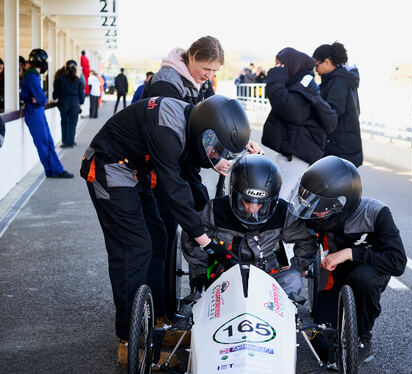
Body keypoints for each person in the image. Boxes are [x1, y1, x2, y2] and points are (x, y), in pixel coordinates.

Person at [80, 94, 250, 365]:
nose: (215, 155)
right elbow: (174, 191)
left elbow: (190, 181)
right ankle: (129, 340)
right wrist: (207, 243)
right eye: (215, 150)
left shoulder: (193, 120)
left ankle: (154, 323)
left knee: (159, 238)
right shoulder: (167, 132)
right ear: (203, 133)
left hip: (136, 169)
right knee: (134, 247)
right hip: (107, 165)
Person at [140, 36, 263, 319]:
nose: (209, 76)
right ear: (191, 57)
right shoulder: (166, 82)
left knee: (206, 213)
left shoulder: (201, 82)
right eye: (205, 69)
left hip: (185, 163)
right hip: (163, 163)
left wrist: (243, 143)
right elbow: (173, 131)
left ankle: (206, 283)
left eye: (215, 72)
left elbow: (213, 121)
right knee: (166, 232)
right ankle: (161, 313)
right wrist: (214, 159)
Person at [288, 156, 407, 368]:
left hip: (369, 272)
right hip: (335, 275)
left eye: (318, 205)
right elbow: (305, 243)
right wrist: (297, 268)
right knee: (323, 346)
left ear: (339, 203)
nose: (313, 210)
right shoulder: (317, 216)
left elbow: (397, 263)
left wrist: (350, 253)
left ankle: (364, 339)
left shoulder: (376, 213)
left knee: (363, 277)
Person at [181, 154, 317, 297]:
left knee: (293, 279)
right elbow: (192, 235)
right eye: (246, 201)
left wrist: (298, 266)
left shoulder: (282, 212)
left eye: (260, 204)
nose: (252, 209)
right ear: (233, 194)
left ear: (273, 200)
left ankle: (286, 310)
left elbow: (307, 240)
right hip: (224, 274)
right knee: (202, 290)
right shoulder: (216, 210)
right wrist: (200, 273)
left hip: (266, 275)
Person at [261, 47, 337, 199]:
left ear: (291, 65)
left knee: (280, 199)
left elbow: (287, 107)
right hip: (295, 153)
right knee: (284, 197)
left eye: (281, 65)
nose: (278, 69)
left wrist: (275, 76)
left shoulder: (304, 86)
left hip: (298, 156)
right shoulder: (300, 83)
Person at [20, 49, 73, 179]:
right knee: (44, 142)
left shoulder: (33, 75)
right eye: (44, 61)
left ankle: (54, 169)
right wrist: (38, 98)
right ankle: (54, 170)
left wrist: (38, 98)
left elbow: (40, 99)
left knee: (48, 141)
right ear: (39, 61)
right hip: (34, 112)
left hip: (37, 110)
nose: (46, 64)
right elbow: (42, 99)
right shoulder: (32, 76)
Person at [313, 42, 363, 167]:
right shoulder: (336, 79)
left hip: (341, 148)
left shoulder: (338, 81)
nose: (316, 70)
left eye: (316, 65)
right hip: (342, 146)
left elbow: (333, 111)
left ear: (327, 62)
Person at [53, 60, 85, 147]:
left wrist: (55, 98)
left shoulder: (60, 79)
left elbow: (56, 93)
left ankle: (65, 142)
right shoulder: (78, 80)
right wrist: (81, 103)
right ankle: (71, 141)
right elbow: (81, 93)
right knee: (73, 123)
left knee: (64, 122)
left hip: (63, 103)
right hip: (75, 104)